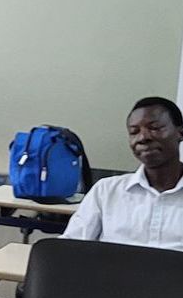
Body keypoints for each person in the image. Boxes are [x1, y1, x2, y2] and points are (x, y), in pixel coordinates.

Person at [62, 96, 183, 250]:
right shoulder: (106, 191)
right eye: (134, 132)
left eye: (155, 128)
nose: (143, 137)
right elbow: (70, 248)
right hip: (111, 274)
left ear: (180, 133)